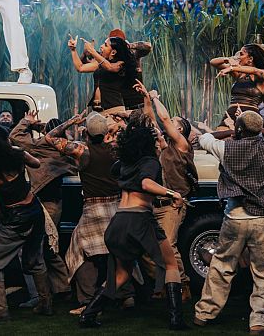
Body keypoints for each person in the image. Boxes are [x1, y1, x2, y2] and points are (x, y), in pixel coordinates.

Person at [78, 117, 188, 330]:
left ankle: (88, 315)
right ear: (146, 144)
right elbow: (146, 183)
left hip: (119, 222)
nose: (158, 144)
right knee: (171, 264)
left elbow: (116, 171)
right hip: (139, 220)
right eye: (155, 142)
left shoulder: (123, 163)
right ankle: (176, 319)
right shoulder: (150, 162)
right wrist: (173, 193)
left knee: (121, 274)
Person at [193, 111, 264, 336]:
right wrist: (260, 130)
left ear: (239, 130)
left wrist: (232, 132)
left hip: (235, 216)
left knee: (221, 266)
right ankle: (258, 321)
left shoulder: (226, 148)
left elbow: (204, 138)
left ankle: (205, 313)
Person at [54, 111, 124, 314]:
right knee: (117, 251)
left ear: (87, 133)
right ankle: (125, 295)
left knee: (79, 251)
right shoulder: (115, 149)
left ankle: (86, 300)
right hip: (116, 206)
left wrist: (71, 121)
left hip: (94, 209)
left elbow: (51, 138)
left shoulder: (83, 151)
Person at [0, 125, 51, 321]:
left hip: (15, 217)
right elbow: (36, 164)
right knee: (35, 259)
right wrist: (21, 152)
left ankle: (1, 309)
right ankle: (45, 303)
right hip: (34, 211)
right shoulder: (18, 156)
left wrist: (3, 218)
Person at [9, 111, 74, 303]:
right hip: (55, 204)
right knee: (49, 248)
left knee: (31, 250)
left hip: (42, 203)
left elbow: (15, 136)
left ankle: (38, 294)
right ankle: (62, 288)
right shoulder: (67, 151)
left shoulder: (39, 147)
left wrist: (28, 122)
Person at [146, 87, 197, 302]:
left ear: (181, 130)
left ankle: (182, 284)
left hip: (172, 204)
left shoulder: (183, 146)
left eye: (175, 123)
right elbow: (151, 120)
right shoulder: (165, 147)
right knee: (147, 248)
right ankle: (165, 284)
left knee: (168, 244)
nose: (169, 123)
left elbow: (163, 117)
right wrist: (146, 99)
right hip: (155, 204)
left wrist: (157, 96)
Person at [68, 35, 139, 115]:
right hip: (98, 111)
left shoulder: (120, 64)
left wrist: (92, 51)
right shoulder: (101, 63)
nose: (101, 46)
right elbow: (80, 68)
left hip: (114, 110)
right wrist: (73, 50)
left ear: (113, 52)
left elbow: (109, 67)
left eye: (105, 45)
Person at [211, 44, 264, 129]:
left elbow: (254, 70)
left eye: (241, 54)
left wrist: (232, 68)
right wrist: (228, 59)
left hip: (250, 115)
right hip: (232, 112)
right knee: (221, 136)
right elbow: (213, 62)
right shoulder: (239, 75)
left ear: (250, 59)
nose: (238, 57)